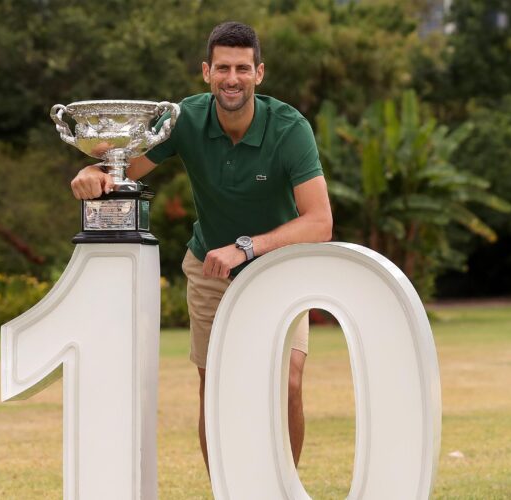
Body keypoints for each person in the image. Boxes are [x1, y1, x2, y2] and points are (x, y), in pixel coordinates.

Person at [70, 21, 333, 472]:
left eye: (243, 68)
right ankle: (225, 490)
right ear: (206, 72)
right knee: (213, 386)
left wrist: (246, 247)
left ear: (259, 73)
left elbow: (320, 222)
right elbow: (124, 170)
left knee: (288, 382)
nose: (233, 78)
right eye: (224, 68)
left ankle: (283, 488)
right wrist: (96, 175)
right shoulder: (184, 119)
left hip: (280, 268)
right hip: (210, 268)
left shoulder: (290, 128)